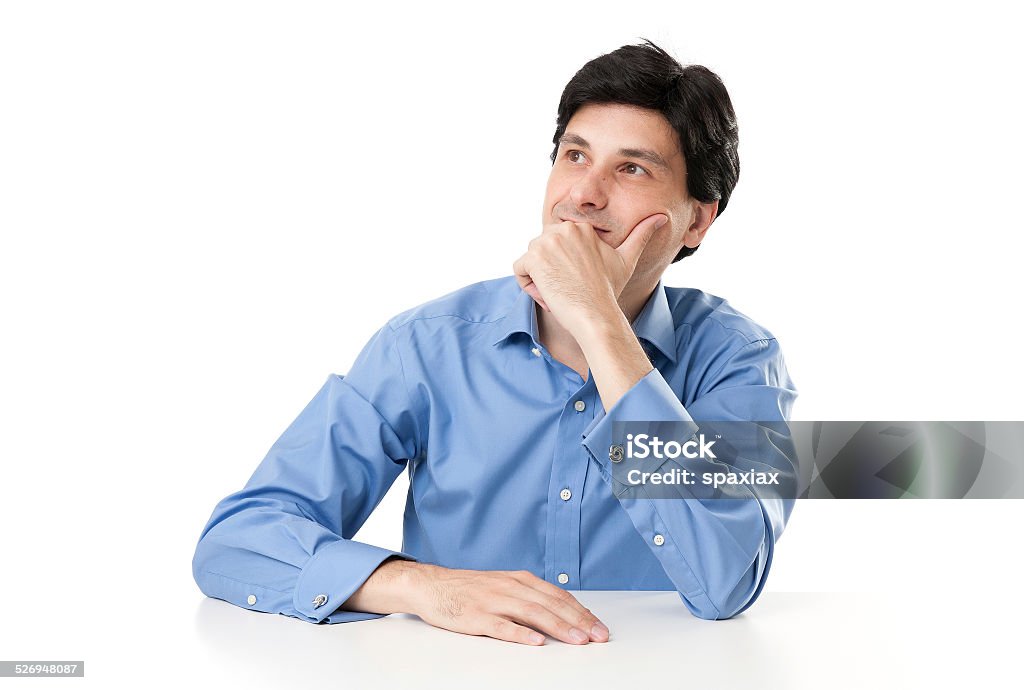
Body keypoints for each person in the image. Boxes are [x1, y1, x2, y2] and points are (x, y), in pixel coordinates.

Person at [192, 39, 798, 646]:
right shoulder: (426, 346)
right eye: (574, 156)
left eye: (631, 168)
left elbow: (727, 580)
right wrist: (423, 586)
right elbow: (240, 541)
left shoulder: (737, 361)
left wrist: (599, 321)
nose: (583, 194)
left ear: (697, 218)